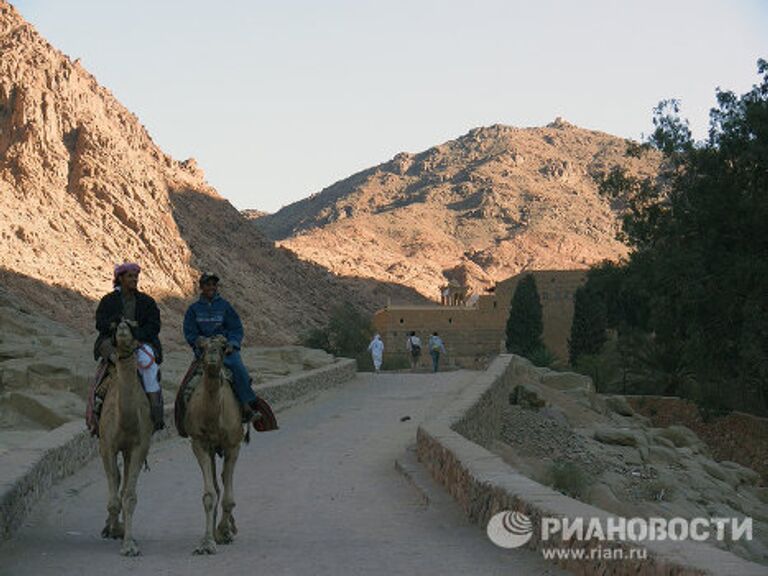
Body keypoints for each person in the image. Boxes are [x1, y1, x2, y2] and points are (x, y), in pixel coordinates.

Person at [183, 272, 265, 423]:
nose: (211, 287)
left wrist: (232, 344)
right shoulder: (193, 309)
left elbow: (236, 329)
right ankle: (184, 418)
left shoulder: (225, 306)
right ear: (201, 287)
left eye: (214, 284)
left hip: (224, 350)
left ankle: (247, 407)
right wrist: (199, 342)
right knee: (188, 382)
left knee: (239, 370)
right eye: (208, 284)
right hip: (205, 351)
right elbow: (189, 332)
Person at [93, 262, 165, 432]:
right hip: (112, 342)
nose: (134, 279)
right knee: (109, 367)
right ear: (120, 278)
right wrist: (115, 326)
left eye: (135, 276)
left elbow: (154, 326)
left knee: (149, 365)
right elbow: (100, 322)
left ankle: (155, 410)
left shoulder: (147, 302)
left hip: (140, 343)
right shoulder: (108, 301)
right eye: (130, 276)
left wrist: (137, 334)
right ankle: (97, 409)